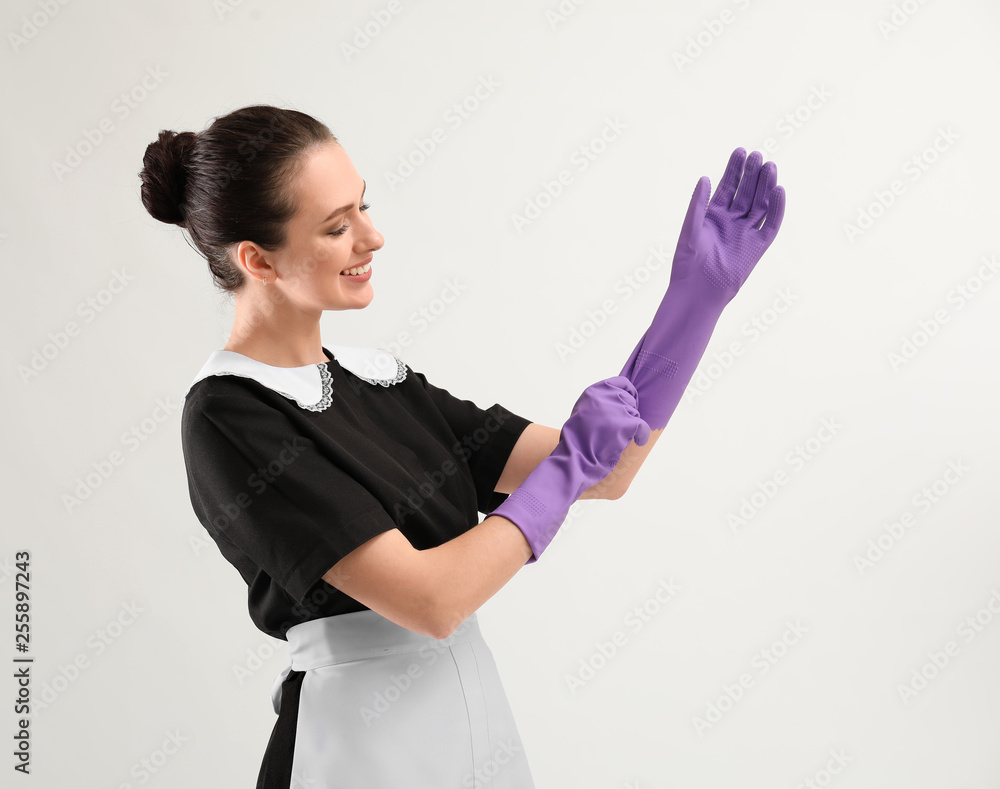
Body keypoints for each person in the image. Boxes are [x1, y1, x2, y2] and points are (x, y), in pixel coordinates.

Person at [139, 104, 783, 788]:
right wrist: (567, 466)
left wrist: (694, 303)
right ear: (257, 259)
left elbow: (610, 468)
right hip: (357, 751)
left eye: (363, 207)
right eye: (337, 226)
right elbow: (432, 600)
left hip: (472, 722)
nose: (373, 236)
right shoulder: (230, 413)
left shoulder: (379, 382)